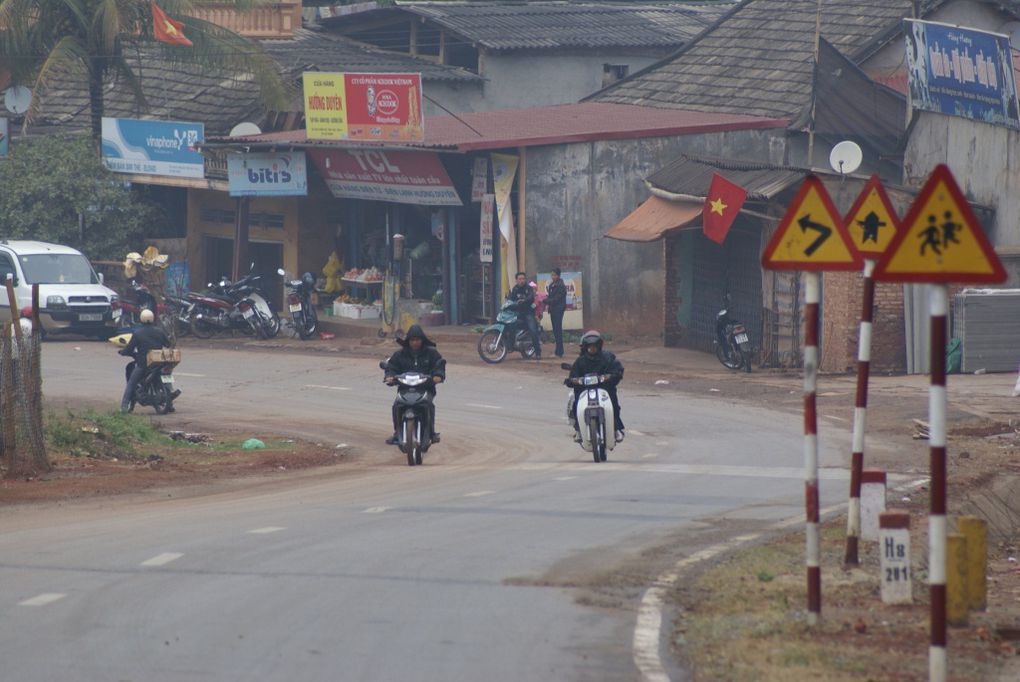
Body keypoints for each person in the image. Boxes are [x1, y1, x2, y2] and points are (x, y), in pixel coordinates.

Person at [384, 324, 446, 445]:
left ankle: (431, 433)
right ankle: (398, 433)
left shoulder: (431, 353)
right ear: (408, 341)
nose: (415, 343)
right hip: (404, 389)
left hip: (425, 388)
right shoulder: (399, 355)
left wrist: (438, 375)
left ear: (422, 340)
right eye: (412, 340)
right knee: (397, 406)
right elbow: (391, 367)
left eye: (418, 340)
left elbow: (439, 365)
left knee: (429, 405)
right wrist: (389, 376)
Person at [567, 330, 625, 442]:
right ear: (585, 347)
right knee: (576, 404)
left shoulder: (608, 358)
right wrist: (574, 380)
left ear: (599, 346)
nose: (592, 348)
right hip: (585, 390)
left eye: (595, 346)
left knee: (613, 405)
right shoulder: (580, 361)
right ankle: (579, 430)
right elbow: (572, 376)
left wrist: (611, 376)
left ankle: (616, 429)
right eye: (589, 346)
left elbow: (617, 370)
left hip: (605, 389)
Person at [119, 308, 174, 413]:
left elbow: (129, 349)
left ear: (141, 319)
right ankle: (170, 405)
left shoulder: (137, 333)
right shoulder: (159, 331)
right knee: (167, 379)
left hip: (143, 364)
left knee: (131, 383)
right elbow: (168, 344)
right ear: (153, 319)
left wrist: (123, 352)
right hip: (159, 362)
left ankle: (124, 407)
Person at [509, 271, 541, 359]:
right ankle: (510, 346)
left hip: (528, 313)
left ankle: (538, 352)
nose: (521, 280)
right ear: (516, 280)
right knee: (509, 325)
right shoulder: (515, 289)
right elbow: (511, 299)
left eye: (523, 279)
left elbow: (531, 297)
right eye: (519, 279)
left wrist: (524, 300)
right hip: (518, 313)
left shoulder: (529, 288)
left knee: (533, 331)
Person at [545, 268, 567, 357]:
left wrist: (546, 301)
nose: (553, 277)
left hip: (558, 310)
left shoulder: (561, 286)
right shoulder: (551, 285)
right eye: (552, 275)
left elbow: (556, 299)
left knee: (558, 330)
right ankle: (557, 351)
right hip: (552, 310)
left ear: (558, 275)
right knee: (555, 330)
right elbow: (550, 297)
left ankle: (559, 352)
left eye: (555, 275)